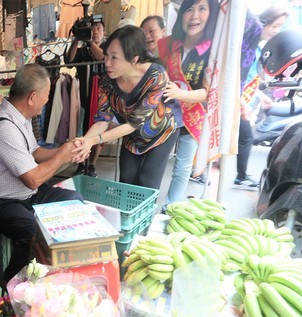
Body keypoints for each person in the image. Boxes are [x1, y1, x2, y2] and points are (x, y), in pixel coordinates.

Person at [0, 64, 84, 282]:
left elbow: (34, 152)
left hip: (23, 194)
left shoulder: (19, 117)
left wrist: (63, 150)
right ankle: (13, 285)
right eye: (46, 96)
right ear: (33, 97)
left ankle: (56, 265)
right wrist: (61, 157)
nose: (47, 101)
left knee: (74, 200)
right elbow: (33, 179)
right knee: (31, 229)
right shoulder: (4, 128)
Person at [72, 25, 177, 190]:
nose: (107, 63)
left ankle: (143, 216)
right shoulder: (107, 82)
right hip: (131, 137)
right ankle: (125, 216)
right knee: (126, 180)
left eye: (114, 58)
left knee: (146, 183)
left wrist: (94, 140)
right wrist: (85, 142)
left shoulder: (156, 76)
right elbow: (102, 119)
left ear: (134, 59)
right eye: (106, 55)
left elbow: (133, 123)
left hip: (160, 134)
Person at [158, 0, 219, 204]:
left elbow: (210, 92)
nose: (194, 16)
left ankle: (170, 206)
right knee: (157, 161)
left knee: (182, 167)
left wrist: (179, 94)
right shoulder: (170, 45)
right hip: (165, 114)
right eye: (189, 9)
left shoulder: (213, 52)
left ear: (211, 15)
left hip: (193, 117)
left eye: (202, 8)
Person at [235, 7, 288, 190]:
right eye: (275, 26)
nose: (276, 31)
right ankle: (240, 176)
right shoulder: (246, 45)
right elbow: (236, 78)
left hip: (244, 99)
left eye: (279, 27)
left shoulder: (256, 48)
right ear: (264, 23)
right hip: (237, 100)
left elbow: (249, 79)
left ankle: (239, 175)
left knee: (242, 137)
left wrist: (260, 95)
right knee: (246, 137)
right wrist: (241, 102)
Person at [65, 15, 106, 177]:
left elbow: (102, 57)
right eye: (92, 28)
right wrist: (76, 39)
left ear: (104, 32)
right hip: (81, 99)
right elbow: (68, 60)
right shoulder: (81, 51)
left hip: (101, 100)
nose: (95, 32)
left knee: (98, 136)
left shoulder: (107, 49)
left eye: (98, 29)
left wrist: (89, 42)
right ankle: (81, 163)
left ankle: (92, 165)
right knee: (81, 132)